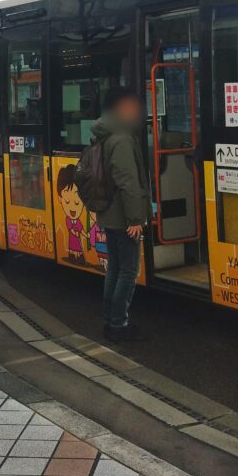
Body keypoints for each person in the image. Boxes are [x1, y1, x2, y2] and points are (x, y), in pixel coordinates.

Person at [91, 86, 151, 342]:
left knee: (114, 268)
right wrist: (136, 219)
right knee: (128, 271)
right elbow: (128, 182)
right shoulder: (122, 139)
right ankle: (118, 323)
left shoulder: (105, 134)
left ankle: (110, 320)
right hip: (124, 217)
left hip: (109, 215)